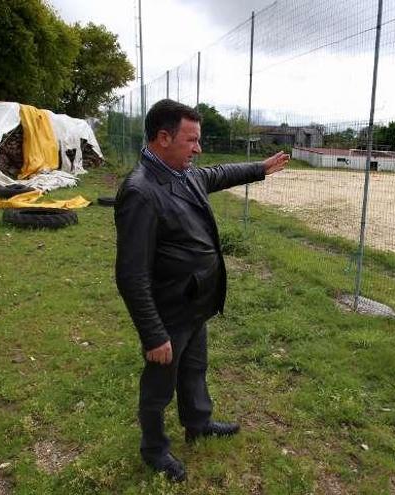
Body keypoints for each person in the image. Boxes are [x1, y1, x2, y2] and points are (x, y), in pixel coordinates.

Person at [114, 99, 289, 482]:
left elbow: (219, 174)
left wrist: (258, 170)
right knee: (159, 384)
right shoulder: (141, 192)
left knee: (194, 369)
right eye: (191, 140)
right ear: (163, 138)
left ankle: (198, 422)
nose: (198, 148)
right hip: (169, 310)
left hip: (195, 301)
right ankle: (154, 449)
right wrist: (153, 333)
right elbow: (131, 274)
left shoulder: (184, 173)